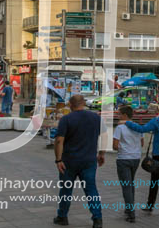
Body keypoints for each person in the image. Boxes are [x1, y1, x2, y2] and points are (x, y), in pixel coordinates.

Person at [53, 95, 104, 228]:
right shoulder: (96, 118)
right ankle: (97, 219)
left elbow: (59, 140)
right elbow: (104, 136)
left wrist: (58, 160)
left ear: (70, 104)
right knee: (91, 190)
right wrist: (102, 154)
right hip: (89, 161)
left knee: (66, 190)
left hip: (69, 161)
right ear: (84, 103)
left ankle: (62, 216)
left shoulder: (66, 119)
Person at [113, 105, 143, 223]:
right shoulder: (138, 126)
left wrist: (121, 147)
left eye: (119, 114)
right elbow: (142, 143)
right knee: (131, 184)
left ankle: (131, 213)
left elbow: (115, 146)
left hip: (123, 159)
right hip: (136, 158)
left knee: (126, 185)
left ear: (125, 115)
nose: (118, 116)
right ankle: (129, 207)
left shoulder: (120, 127)